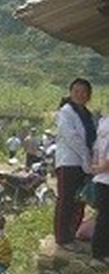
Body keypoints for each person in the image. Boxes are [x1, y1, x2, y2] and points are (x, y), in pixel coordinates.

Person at [54, 78, 95, 250]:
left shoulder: (87, 114)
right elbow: (72, 137)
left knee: (79, 200)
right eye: (76, 91)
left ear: (89, 95)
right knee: (66, 200)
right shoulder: (66, 112)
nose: (80, 95)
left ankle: (73, 233)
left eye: (84, 92)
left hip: (84, 164)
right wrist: (86, 157)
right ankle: (63, 238)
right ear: (71, 93)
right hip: (69, 163)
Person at [89, 113, 109, 268]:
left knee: (103, 217)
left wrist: (96, 167)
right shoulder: (104, 122)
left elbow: (96, 149)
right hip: (105, 177)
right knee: (105, 218)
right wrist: (101, 167)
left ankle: (99, 254)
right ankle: (100, 254)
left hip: (101, 177)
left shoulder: (103, 122)